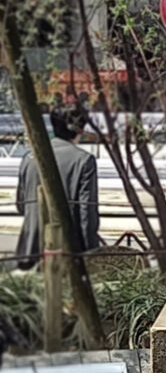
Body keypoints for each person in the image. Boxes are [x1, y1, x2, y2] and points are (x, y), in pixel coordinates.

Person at [15, 104, 100, 270]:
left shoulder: (30, 157)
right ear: (80, 129)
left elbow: (21, 205)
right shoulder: (84, 160)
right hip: (66, 253)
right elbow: (86, 215)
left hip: (29, 250)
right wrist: (92, 252)